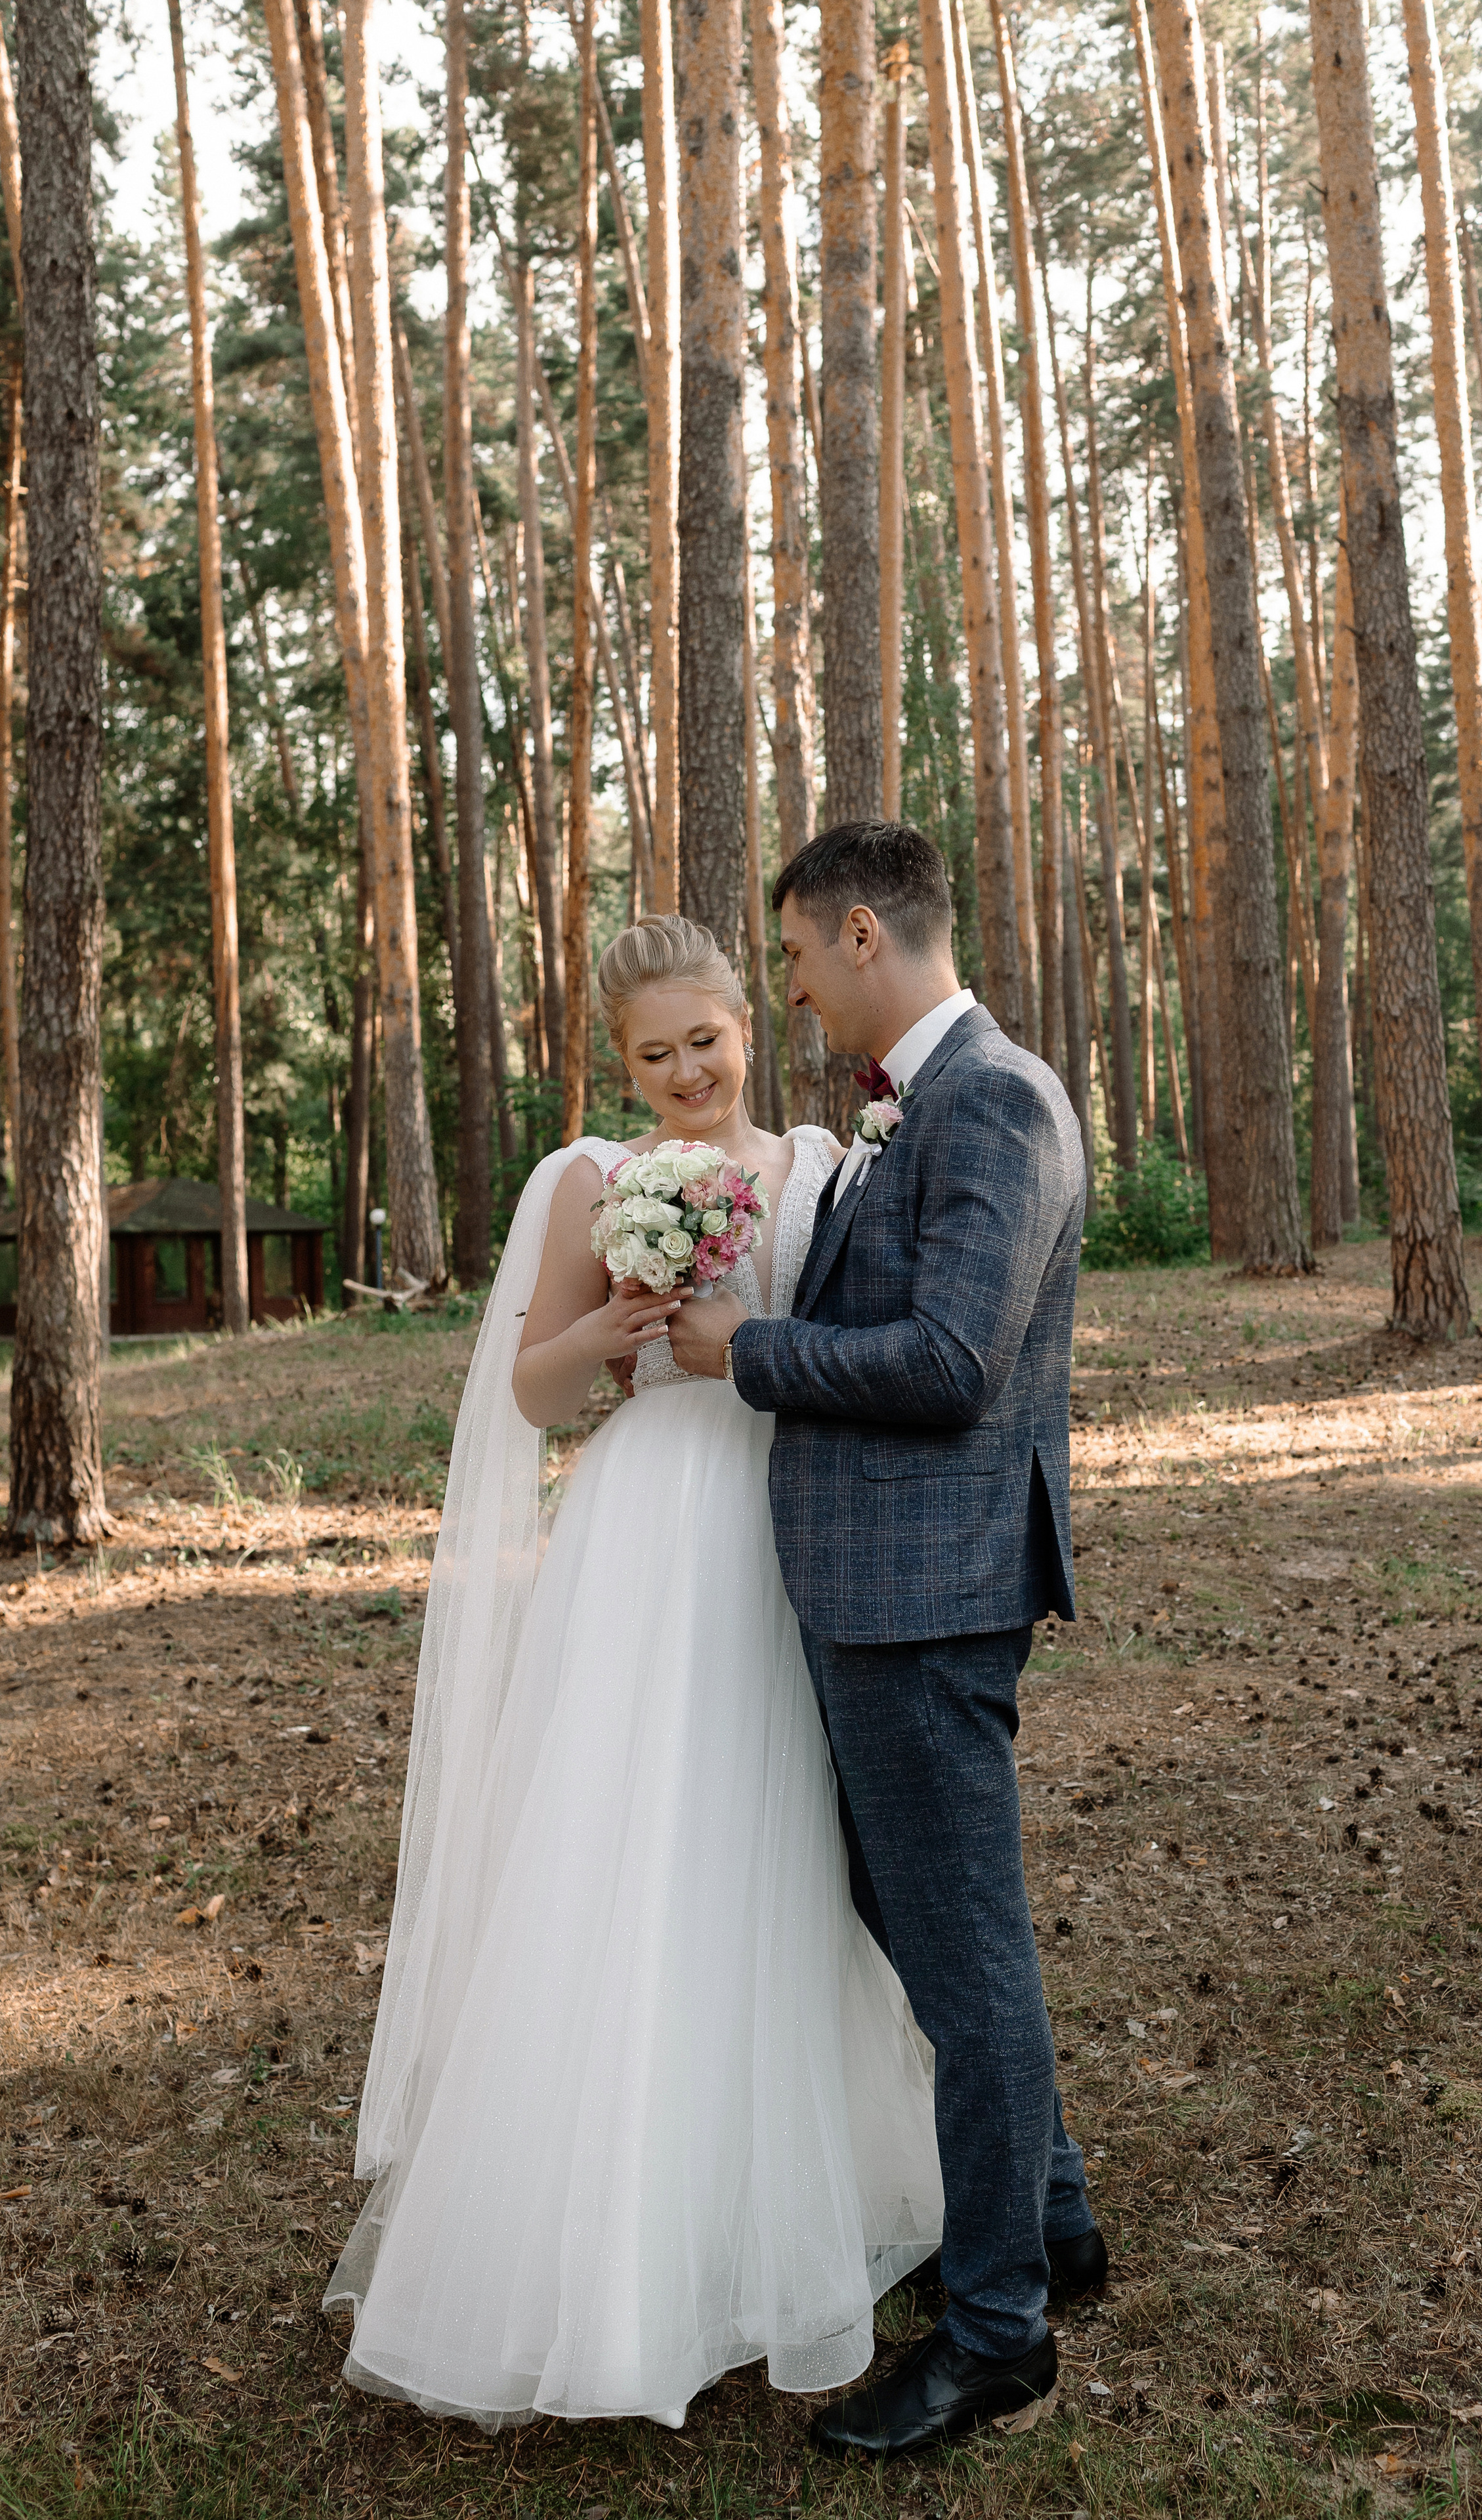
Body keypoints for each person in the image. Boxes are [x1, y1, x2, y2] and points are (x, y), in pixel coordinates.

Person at [324, 913, 942, 2430]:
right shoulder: (589, 1182)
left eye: (706, 1040)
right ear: (619, 1062)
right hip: (637, 1536)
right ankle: (596, 2264)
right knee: (618, 1857)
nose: (683, 1073)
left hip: (778, 1527)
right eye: (653, 1054)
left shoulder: (819, 1166)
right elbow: (530, 1393)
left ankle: (757, 2212)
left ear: (748, 1017)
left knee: (766, 1855)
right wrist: (611, 1321)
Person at [667, 820, 1107, 2458]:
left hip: (925, 1598)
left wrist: (748, 1351)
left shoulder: (991, 1097)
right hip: (880, 1592)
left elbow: (944, 1364)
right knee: (927, 1935)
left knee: (968, 1966)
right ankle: (1050, 2224)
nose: (787, 989)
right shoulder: (914, 1104)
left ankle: (995, 2334)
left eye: (792, 956)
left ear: (863, 933)